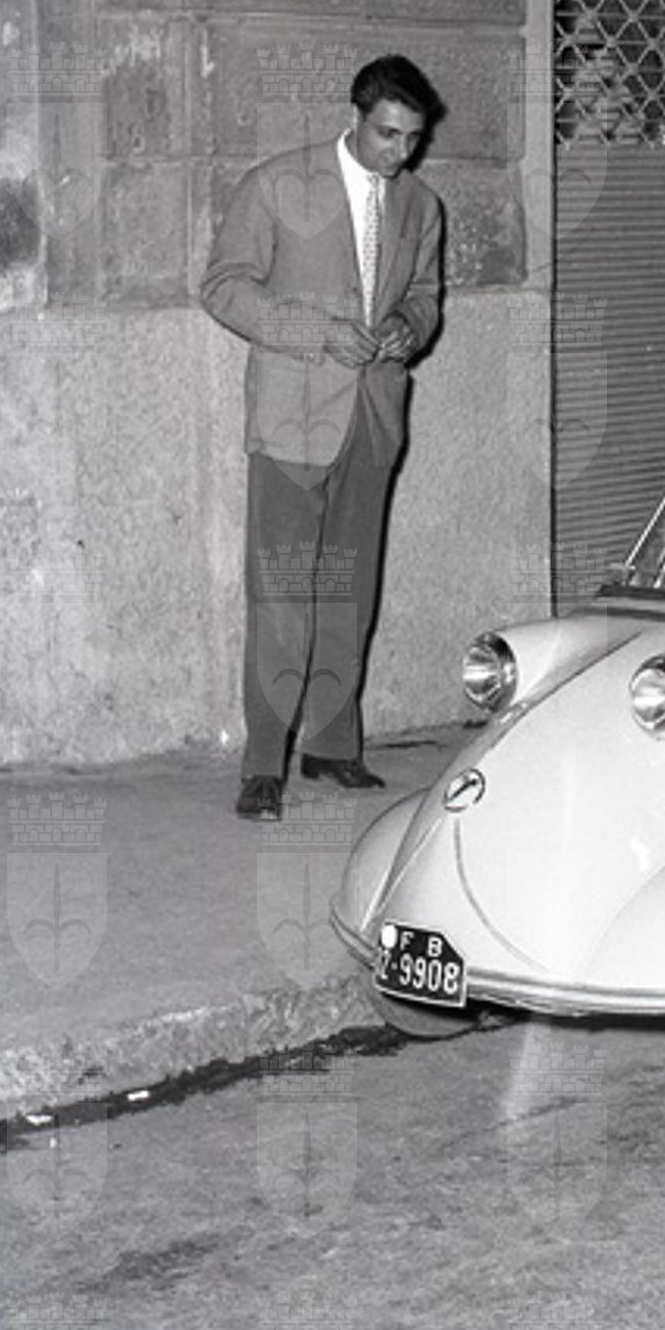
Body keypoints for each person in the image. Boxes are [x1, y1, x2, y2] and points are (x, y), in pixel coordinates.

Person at [202, 55, 445, 820]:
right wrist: (317, 331)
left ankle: (333, 746)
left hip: (371, 417)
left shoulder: (421, 206)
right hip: (291, 419)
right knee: (281, 593)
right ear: (355, 117)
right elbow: (223, 287)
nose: (399, 152)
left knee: (349, 587)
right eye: (386, 134)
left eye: (411, 138)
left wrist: (407, 326)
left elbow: (425, 297)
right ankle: (263, 764)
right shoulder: (277, 184)